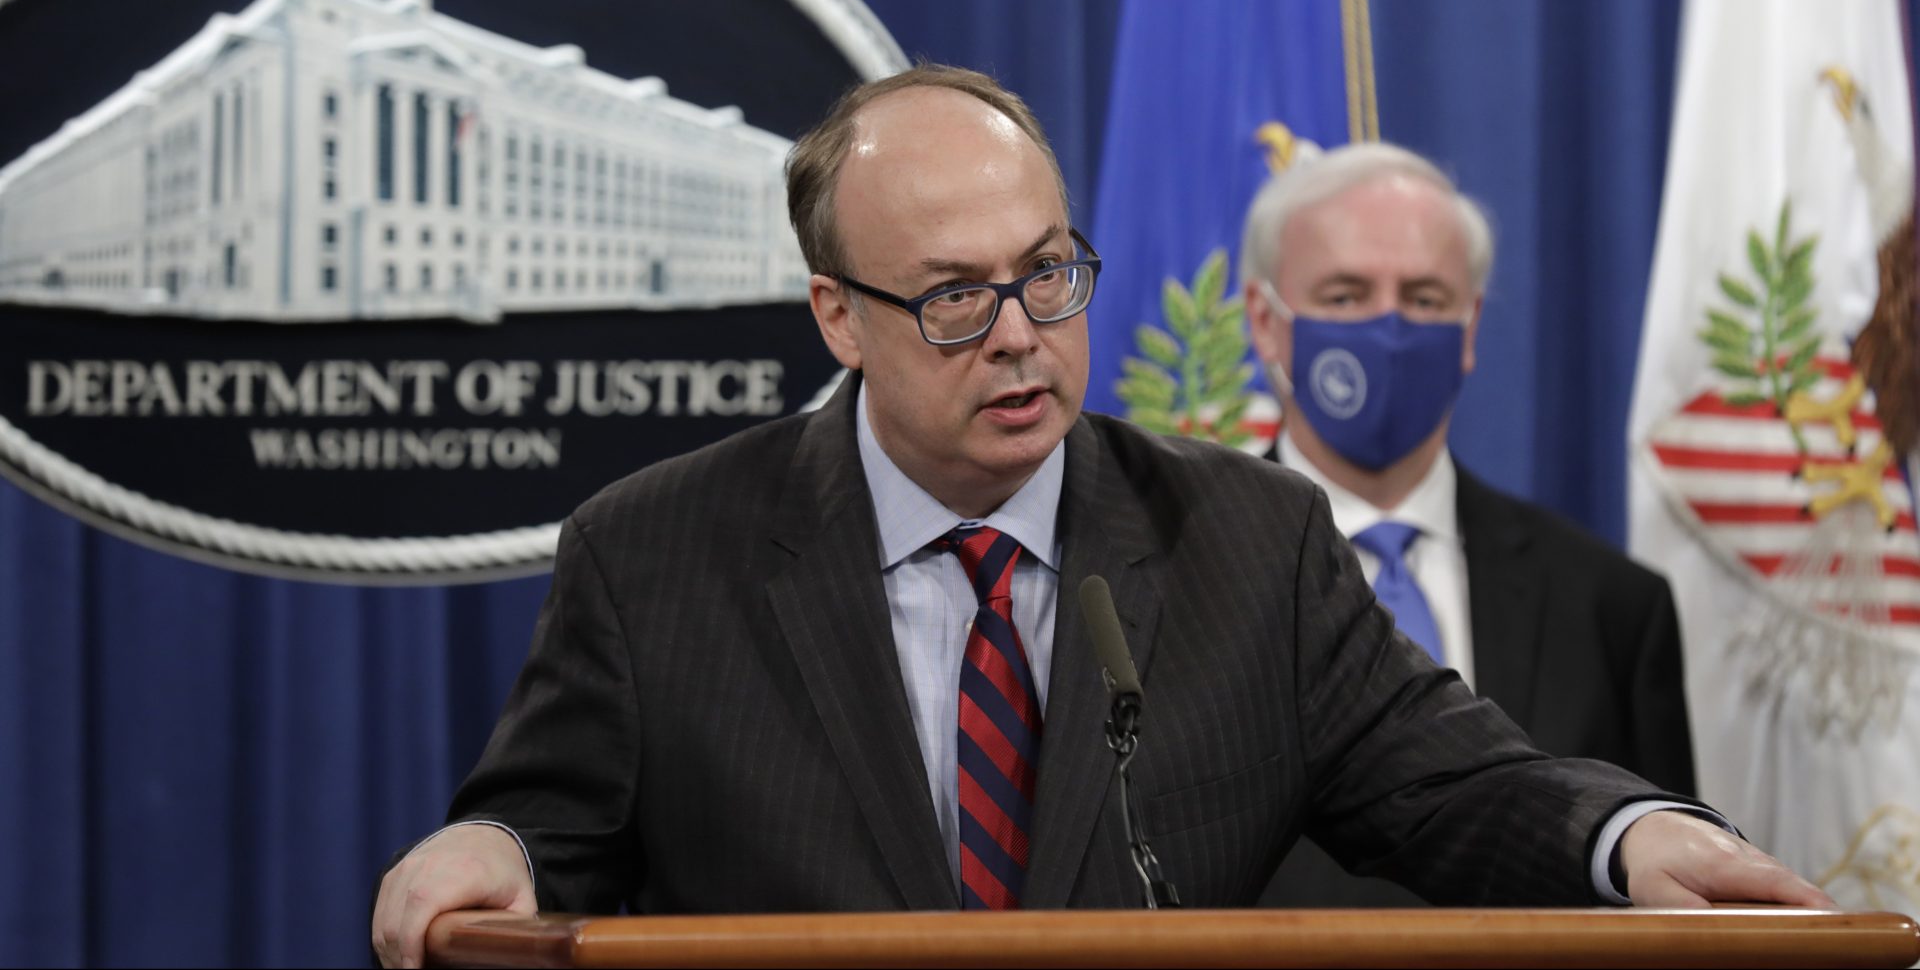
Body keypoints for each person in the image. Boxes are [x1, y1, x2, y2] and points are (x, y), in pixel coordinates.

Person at [372, 65, 1826, 969]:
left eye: (1050, 272)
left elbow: (1449, 783)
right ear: (839, 316)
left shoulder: (1247, 538)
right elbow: (552, 822)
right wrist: (493, 843)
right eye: (954, 296)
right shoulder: (658, 551)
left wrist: (1625, 836)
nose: (1020, 335)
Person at [1240, 141, 1697, 907]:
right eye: (1347, 295)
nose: (1389, 330)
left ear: (1471, 324)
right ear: (1267, 321)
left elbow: (1664, 902)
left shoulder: (1612, 605)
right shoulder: (1171, 576)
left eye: (1422, 298)